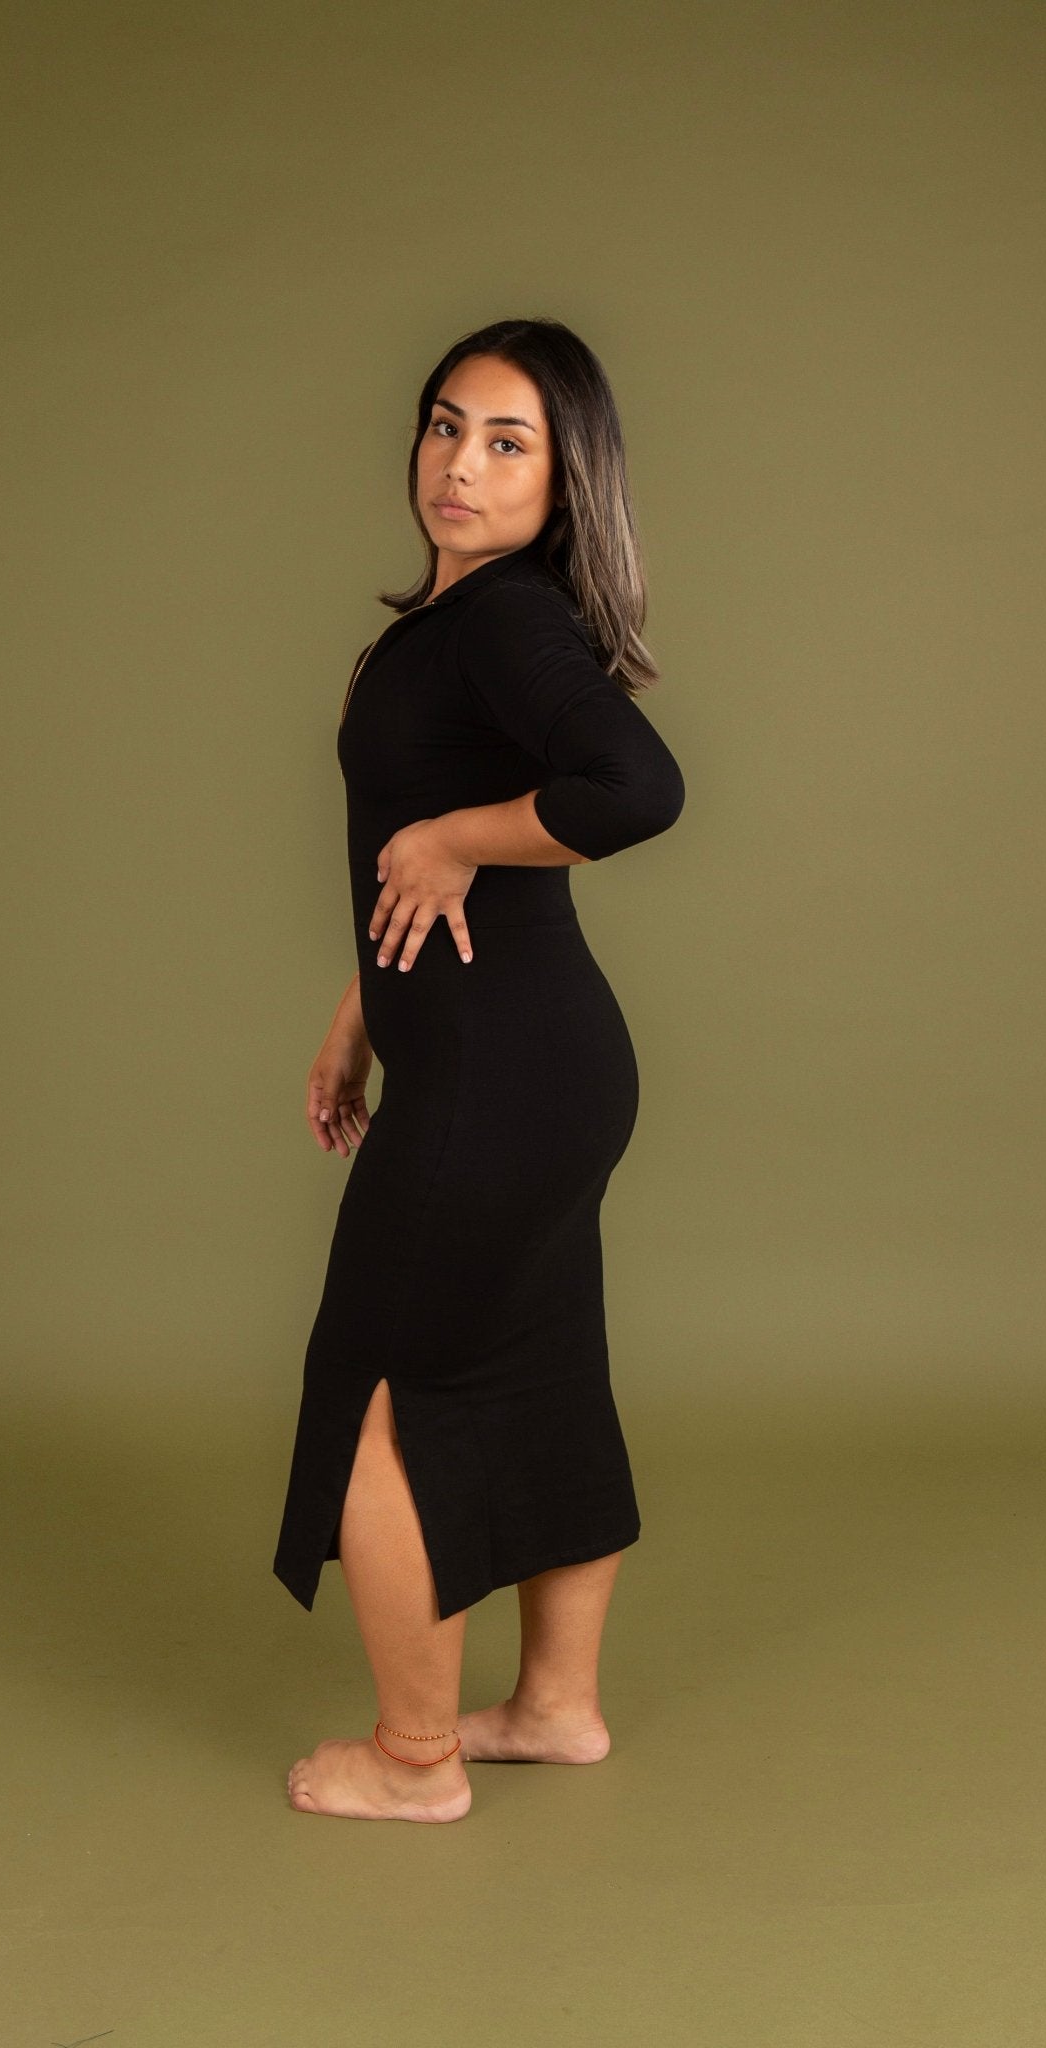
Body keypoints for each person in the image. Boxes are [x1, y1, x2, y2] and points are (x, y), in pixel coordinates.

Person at [273, 317, 686, 1821]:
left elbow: (636, 786)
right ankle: (556, 1709)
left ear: (566, 481)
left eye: (508, 443)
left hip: (498, 1083)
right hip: (535, 1067)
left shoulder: (508, 621)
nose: (460, 464)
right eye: (446, 425)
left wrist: (456, 836)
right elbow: (407, 865)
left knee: (389, 1392)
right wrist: (358, 1014)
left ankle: (414, 1761)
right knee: (544, 1371)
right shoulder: (460, 625)